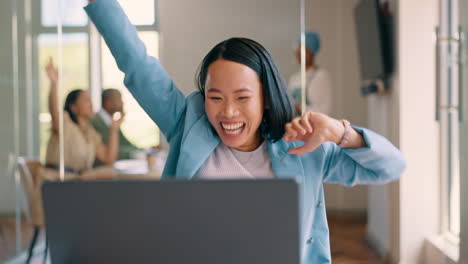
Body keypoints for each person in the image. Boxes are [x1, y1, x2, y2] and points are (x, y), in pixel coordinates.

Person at [84, 0, 406, 263]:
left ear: (265, 98)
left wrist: (340, 132)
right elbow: (139, 66)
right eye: (215, 97)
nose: (228, 112)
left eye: (242, 97)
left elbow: (391, 167)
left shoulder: (303, 148)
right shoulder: (186, 125)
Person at [41, 58, 124, 181]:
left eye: (91, 100)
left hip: (77, 181)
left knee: (111, 172)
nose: (91, 105)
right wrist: (53, 83)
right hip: (56, 180)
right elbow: (54, 111)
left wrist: (113, 130)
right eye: (86, 101)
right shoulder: (65, 123)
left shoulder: (90, 133)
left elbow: (108, 158)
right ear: (74, 107)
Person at [288, 31, 333, 116]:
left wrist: (300, 108)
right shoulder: (294, 78)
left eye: (302, 50)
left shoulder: (320, 76)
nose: (298, 54)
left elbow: (324, 111)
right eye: (297, 50)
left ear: (311, 52)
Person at [91, 88, 142, 161]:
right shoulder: (95, 122)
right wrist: (136, 154)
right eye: (119, 99)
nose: (122, 103)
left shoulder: (112, 122)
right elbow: (112, 151)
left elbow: (126, 144)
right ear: (108, 102)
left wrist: (147, 150)